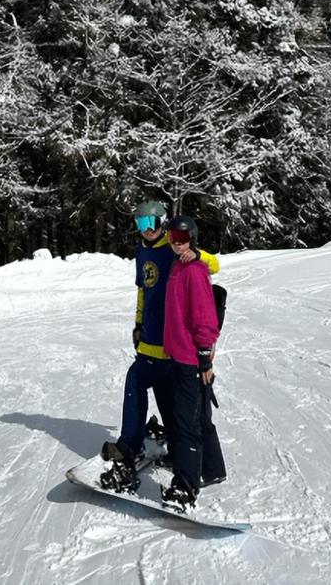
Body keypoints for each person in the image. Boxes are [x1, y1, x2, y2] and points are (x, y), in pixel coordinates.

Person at [100, 202, 220, 492]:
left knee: (167, 397)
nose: (147, 229)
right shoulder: (142, 251)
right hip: (151, 336)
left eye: (150, 223)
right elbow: (143, 290)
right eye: (140, 224)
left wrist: (197, 253)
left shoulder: (176, 245)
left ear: (162, 222)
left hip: (174, 341)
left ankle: (161, 449)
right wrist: (138, 324)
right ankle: (133, 445)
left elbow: (213, 265)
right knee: (140, 383)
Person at [160, 215, 226, 513]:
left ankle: (185, 487)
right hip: (179, 354)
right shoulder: (178, 265)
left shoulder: (195, 270)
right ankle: (212, 468)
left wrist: (203, 356)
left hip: (190, 357)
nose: (177, 241)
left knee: (187, 422)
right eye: (173, 235)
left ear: (193, 238)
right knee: (198, 415)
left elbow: (204, 318)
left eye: (183, 237)